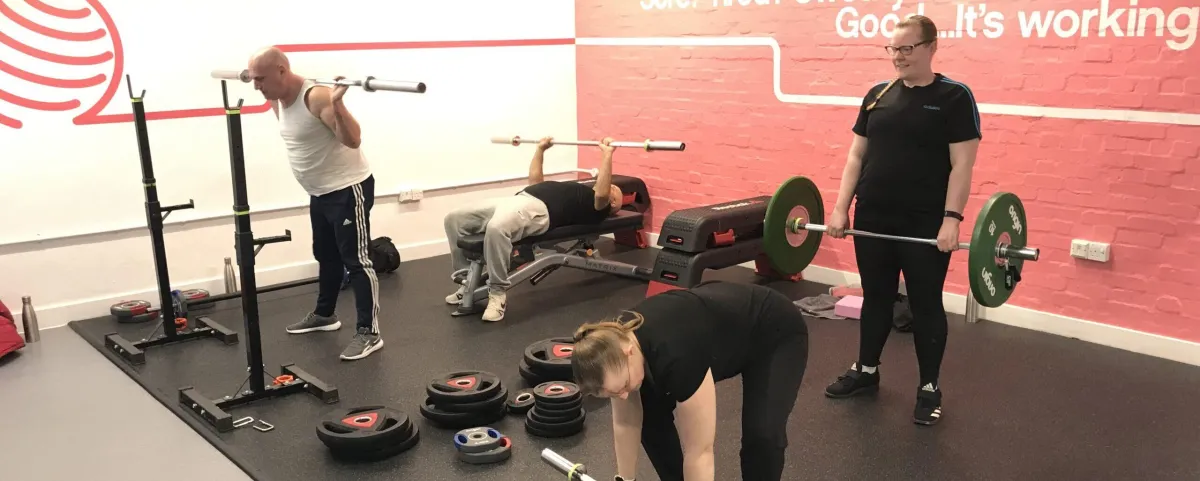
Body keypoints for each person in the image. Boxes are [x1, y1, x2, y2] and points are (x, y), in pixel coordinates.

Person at [822, 15, 982, 425]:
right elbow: (857, 155)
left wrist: (952, 219)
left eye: (907, 49)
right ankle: (867, 371)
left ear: (932, 46)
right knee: (876, 296)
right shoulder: (877, 95)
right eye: (892, 49)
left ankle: (929, 388)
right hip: (873, 215)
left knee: (925, 303)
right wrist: (841, 207)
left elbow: (961, 165)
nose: (897, 57)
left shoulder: (954, 97)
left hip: (925, 222)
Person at [570, 281, 810, 481]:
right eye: (613, 393)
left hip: (773, 330)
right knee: (649, 419)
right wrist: (624, 480)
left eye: (622, 387)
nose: (622, 395)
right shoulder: (612, 344)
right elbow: (626, 423)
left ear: (628, 351)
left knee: (762, 436)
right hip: (715, 330)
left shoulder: (677, 354)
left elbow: (700, 452)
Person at [245, 47, 384, 361]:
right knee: (325, 254)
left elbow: (353, 140)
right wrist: (253, 75)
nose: (257, 87)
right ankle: (325, 315)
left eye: (260, 79)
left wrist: (338, 102)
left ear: (282, 70)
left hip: (348, 190)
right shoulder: (278, 97)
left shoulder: (317, 97)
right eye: (253, 80)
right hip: (319, 192)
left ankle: (369, 332)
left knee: (357, 261)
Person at [443, 137, 623, 322]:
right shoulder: (577, 189)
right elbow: (535, 181)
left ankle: (497, 294)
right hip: (518, 199)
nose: (612, 186)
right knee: (453, 219)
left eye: (615, 188)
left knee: (496, 228)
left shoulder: (599, 206)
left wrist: (607, 154)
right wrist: (540, 150)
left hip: (537, 211)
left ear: (614, 202)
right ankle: (467, 282)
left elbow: (602, 193)